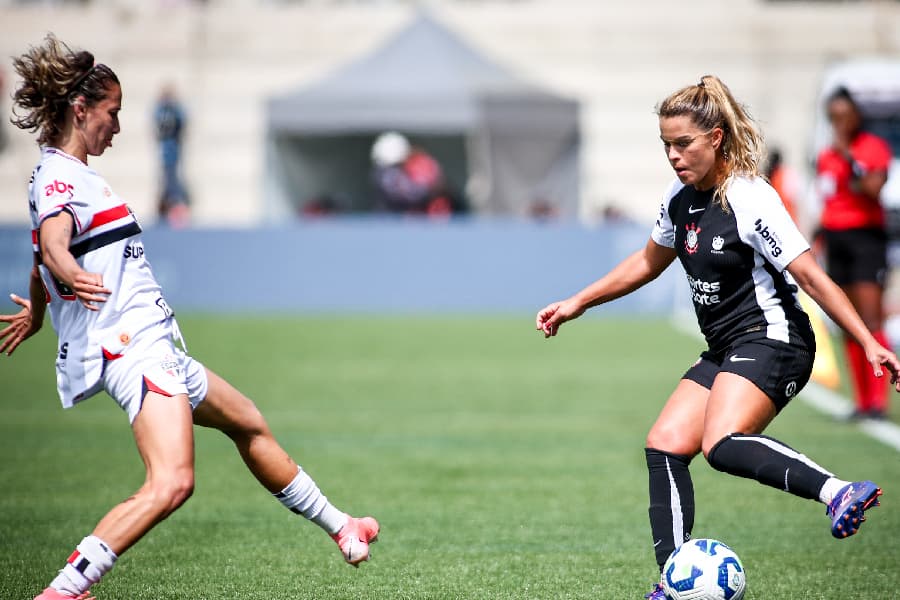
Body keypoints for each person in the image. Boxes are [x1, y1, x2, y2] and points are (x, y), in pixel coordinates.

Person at [1, 34, 379, 600]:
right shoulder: (61, 178)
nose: (119, 127)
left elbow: (46, 251)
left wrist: (42, 302)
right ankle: (64, 590)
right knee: (172, 482)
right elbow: (54, 243)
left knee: (247, 422)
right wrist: (64, 274)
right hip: (132, 348)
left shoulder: (65, 176)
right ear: (80, 110)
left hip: (155, 346)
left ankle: (341, 525)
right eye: (113, 113)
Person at [534, 75, 895, 599]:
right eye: (666, 145)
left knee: (722, 444)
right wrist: (576, 303)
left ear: (717, 139)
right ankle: (671, 584)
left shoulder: (751, 198)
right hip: (727, 346)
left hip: (775, 339)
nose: (674, 156)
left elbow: (812, 277)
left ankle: (840, 492)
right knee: (664, 445)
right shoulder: (679, 198)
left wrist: (867, 340)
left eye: (684, 144)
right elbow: (646, 261)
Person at [815, 86, 894, 420]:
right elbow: (827, 197)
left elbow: (873, 189)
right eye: (833, 117)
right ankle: (862, 400)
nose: (838, 123)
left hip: (866, 239)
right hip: (837, 239)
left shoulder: (871, 149)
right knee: (848, 322)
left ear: (855, 117)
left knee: (871, 318)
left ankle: (879, 401)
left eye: (843, 116)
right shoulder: (825, 155)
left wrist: (851, 159)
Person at [370, 131, 453, 216]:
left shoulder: (402, 169)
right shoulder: (386, 174)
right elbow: (409, 194)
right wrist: (431, 189)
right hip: (390, 220)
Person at [154, 84, 190, 227]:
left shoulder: (170, 111)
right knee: (168, 181)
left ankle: (176, 210)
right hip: (167, 151)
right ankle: (169, 210)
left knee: (172, 181)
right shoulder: (164, 110)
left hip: (172, 152)